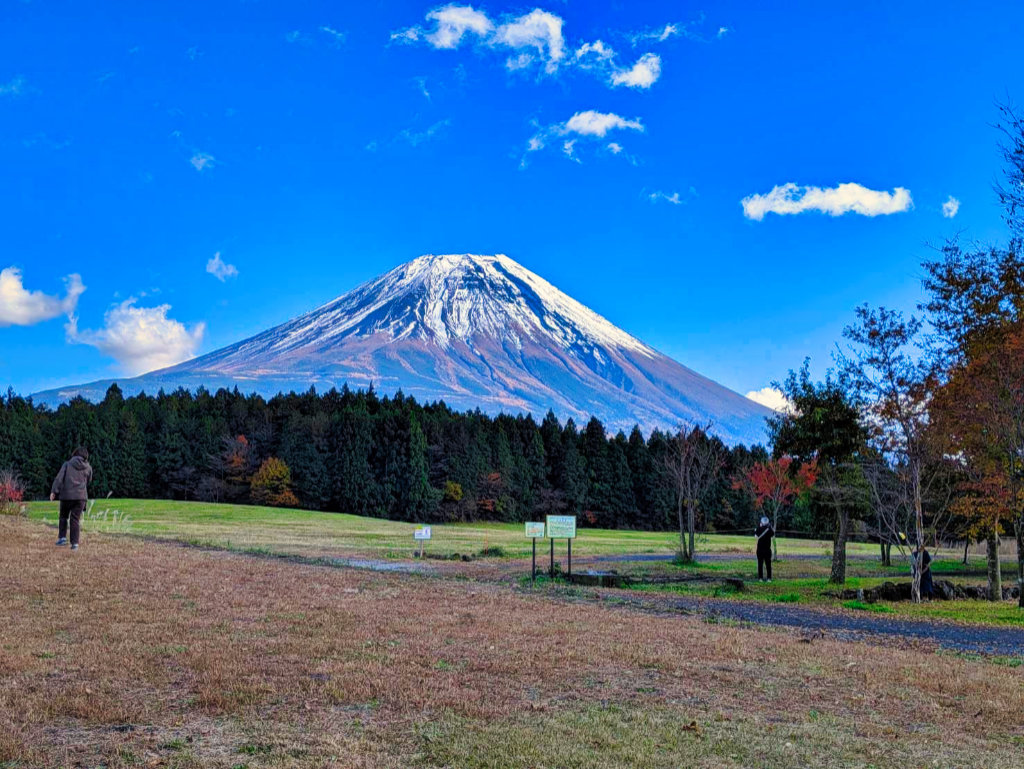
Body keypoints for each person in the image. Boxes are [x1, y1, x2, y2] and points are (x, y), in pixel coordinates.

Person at [50, 447, 93, 551]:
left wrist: (54, 491)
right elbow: (89, 480)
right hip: (81, 497)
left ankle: (62, 538)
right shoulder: (88, 467)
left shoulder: (67, 464)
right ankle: (74, 544)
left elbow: (59, 478)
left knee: (63, 517)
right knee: (75, 520)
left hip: (66, 496)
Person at [755, 516, 774, 582]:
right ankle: (769, 578)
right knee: (768, 564)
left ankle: (760, 578)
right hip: (767, 550)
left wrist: (759, 527)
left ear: (761, 522)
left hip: (760, 549)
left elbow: (756, 536)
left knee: (760, 564)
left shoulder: (759, 528)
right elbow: (772, 534)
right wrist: (770, 527)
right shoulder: (769, 529)